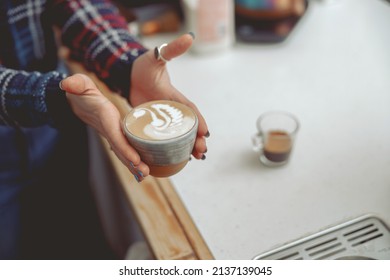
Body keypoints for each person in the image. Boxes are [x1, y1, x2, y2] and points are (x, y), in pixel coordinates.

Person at [0, 0, 208, 259]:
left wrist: (126, 64)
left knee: (72, 242)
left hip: (57, 121)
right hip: (51, 106)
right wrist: (51, 96)